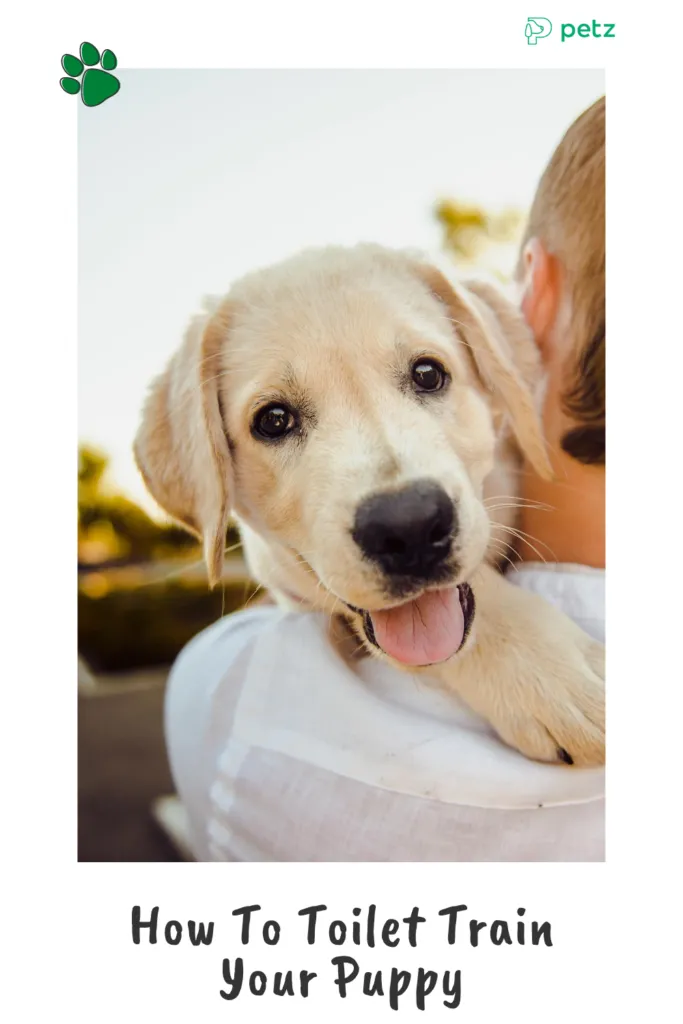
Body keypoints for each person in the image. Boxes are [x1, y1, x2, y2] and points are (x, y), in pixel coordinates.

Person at [162, 96, 605, 862]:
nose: (397, 498)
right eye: (276, 422)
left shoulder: (222, 691)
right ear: (210, 472)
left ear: (498, 367)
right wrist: (485, 629)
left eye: (425, 375)